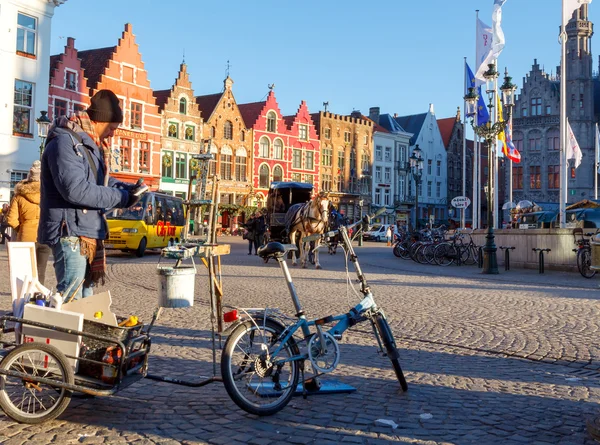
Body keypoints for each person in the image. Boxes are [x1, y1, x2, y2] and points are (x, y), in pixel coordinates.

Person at [39, 89, 145, 300]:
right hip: (69, 230)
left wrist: (128, 188)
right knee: (72, 296)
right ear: (99, 121)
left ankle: (81, 333)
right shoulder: (65, 143)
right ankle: (65, 332)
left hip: (84, 230)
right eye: (112, 127)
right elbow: (76, 190)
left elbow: (100, 181)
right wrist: (122, 198)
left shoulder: (88, 145)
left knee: (85, 299)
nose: (113, 133)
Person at [6, 161, 52, 285]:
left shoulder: (19, 196)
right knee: (41, 270)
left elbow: (11, 219)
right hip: (45, 235)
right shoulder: (49, 195)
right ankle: (38, 296)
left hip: (26, 236)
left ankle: (24, 296)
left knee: (25, 270)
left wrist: (21, 229)